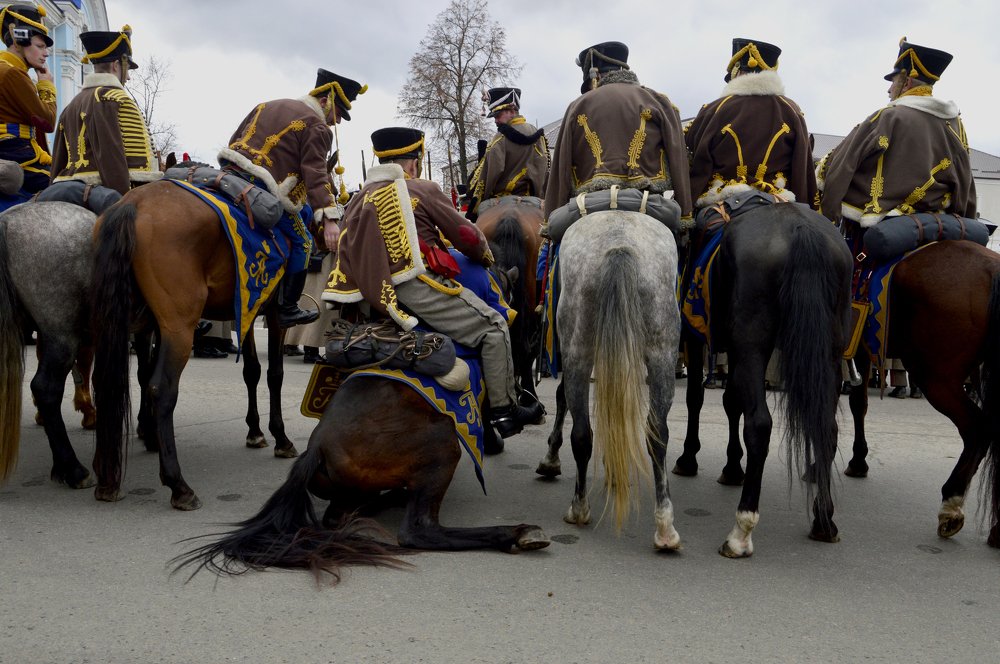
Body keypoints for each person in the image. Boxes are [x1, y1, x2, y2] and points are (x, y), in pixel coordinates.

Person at [323, 127, 542, 438]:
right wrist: (484, 257)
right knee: (494, 328)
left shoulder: (358, 199)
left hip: (366, 295)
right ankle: (503, 411)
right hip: (413, 286)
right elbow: (466, 235)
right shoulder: (421, 189)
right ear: (413, 162)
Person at [219, 68, 366, 328]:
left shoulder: (265, 104)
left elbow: (234, 140)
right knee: (305, 243)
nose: (337, 121)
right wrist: (330, 217)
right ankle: (287, 307)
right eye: (339, 112)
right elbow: (315, 173)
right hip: (263, 188)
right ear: (324, 101)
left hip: (231, 176)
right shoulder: (318, 126)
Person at [818, 37, 976, 233]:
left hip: (881, 223)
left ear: (907, 82)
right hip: (938, 224)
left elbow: (843, 164)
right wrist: (964, 219)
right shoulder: (956, 125)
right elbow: (965, 179)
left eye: (893, 82)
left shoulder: (888, 117)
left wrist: (828, 215)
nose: (889, 89)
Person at [544, 41, 693, 223]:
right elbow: (679, 160)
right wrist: (685, 214)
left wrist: (549, 220)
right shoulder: (659, 102)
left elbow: (561, 165)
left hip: (588, 205)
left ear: (595, 74)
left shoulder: (578, 106)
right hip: (650, 203)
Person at [686, 38, 816, 213]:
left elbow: (695, 158)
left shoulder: (716, 108)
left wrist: (685, 206)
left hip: (720, 199)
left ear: (737, 71)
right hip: (780, 200)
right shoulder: (792, 110)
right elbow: (802, 164)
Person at [47, 25, 162, 210]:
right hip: (111, 191)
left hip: (70, 187)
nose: (129, 78)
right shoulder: (112, 97)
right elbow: (112, 154)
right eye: (128, 70)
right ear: (117, 65)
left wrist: (51, 187)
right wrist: (122, 204)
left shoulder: (70, 106)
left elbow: (59, 158)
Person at [466, 87, 549, 219]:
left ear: (511, 110)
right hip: (534, 200)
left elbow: (491, 174)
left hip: (501, 200)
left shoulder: (499, 138)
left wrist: (478, 201)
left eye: (498, 115)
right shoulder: (537, 134)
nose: (495, 120)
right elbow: (544, 167)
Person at [0, 3, 55, 199]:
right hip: (17, 154)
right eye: (40, 46)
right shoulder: (12, 73)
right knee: (68, 189)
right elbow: (47, 121)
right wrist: (47, 86)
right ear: (17, 39)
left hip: (18, 151)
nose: (46, 53)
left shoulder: (8, 69)